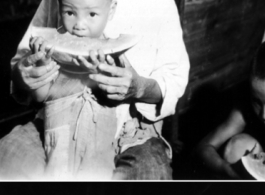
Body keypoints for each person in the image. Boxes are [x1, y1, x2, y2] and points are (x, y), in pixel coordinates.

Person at [0, 0, 190, 180]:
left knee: (149, 174)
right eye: (69, 12)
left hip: (132, 130)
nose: (79, 25)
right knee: (7, 160)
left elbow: (175, 80)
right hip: (55, 120)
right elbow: (24, 64)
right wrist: (23, 74)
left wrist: (139, 87)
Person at [195, 43, 265, 180]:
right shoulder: (244, 105)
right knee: (239, 146)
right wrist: (224, 168)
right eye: (257, 102)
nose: (264, 115)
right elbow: (204, 147)